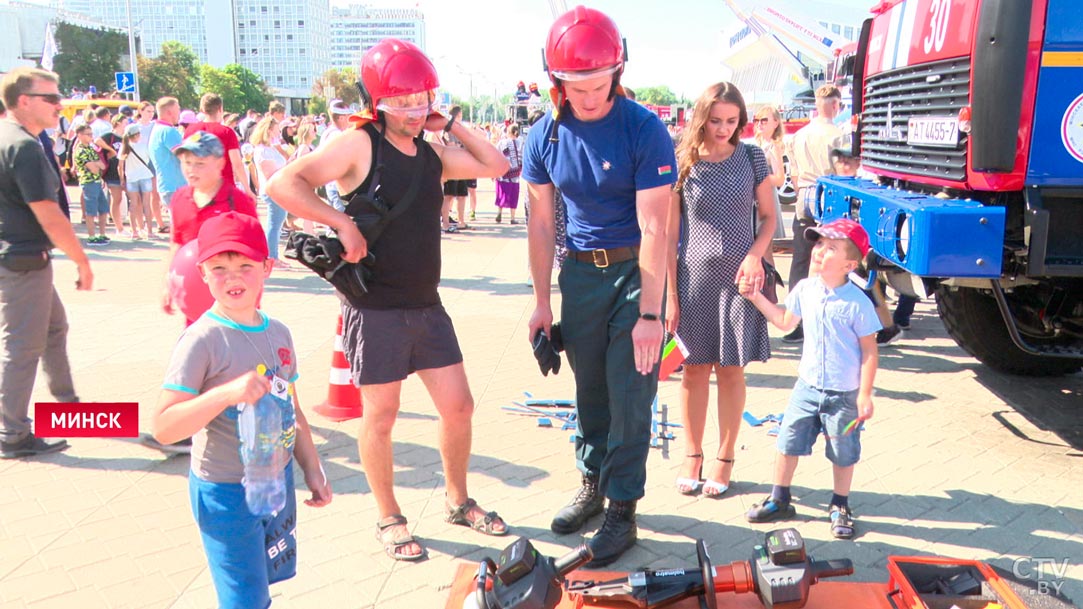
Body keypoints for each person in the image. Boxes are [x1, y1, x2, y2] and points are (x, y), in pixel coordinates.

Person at [267, 38, 509, 562]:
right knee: (381, 416)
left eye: (421, 99)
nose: (413, 111)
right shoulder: (360, 144)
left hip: (427, 304)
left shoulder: (431, 152)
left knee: (459, 407)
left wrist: (450, 124)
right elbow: (283, 183)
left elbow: (496, 165)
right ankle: (389, 516)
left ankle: (457, 498)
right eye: (401, 102)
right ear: (377, 102)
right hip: (374, 308)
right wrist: (340, 221)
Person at [522, 7, 675, 567]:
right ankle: (591, 482)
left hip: (639, 272)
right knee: (590, 390)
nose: (587, 97)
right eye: (573, 85)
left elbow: (657, 225)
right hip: (580, 275)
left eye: (597, 83)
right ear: (554, 80)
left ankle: (622, 508)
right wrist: (541, 302)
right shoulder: (545, 134)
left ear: (618, 69)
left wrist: (652, 314)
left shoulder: (643, 129)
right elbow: (540, 223)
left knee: (631, 392)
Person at [151, 211, 331, 608]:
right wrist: (226, 394)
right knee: (244, 599)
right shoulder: (201, 340)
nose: (233, 278)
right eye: (219, 268)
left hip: (274, 481)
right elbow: (164, 426)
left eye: (245, 266)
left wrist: (311, 467)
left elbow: (293, 409)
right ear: (202, 272)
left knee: (262, 583)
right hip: (224, 491)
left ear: (267, 267)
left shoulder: (279, 332)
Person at [666, 82, 776, 499]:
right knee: (693, 371)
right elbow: (672, 235)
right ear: (701, 117)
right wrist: (671, 296)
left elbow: (768, 218)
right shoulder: (684, 161)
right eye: (716, 120)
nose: (723, 129)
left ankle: (726, 457)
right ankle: (691, 453)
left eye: (731, 121)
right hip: (693, 278)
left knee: (731, 370)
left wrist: (755, 255)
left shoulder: (752, 156)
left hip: (740, 281)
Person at [739, 218, 879, 540]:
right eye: (818, 244)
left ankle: (840, 504)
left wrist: (865, 394)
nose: (819, 251)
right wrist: (756, 297)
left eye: (831, 248)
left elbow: (870, 352)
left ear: (850, 264)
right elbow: (785, 322)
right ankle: (780, 498)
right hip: (806, 387)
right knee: (787, 442)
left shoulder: (858, 303)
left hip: (844, 395)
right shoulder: (805, 289)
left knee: (843, 451)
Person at [0, 67, 93, 459]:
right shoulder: (22, 146)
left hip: (20, 259)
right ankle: (12, 435)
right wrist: (82, 262)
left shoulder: (14, 138)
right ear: (24, 101)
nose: (60, 105)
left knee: (54, 328)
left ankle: (66, 406)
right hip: (23, 262)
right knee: (23, 347)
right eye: (51, 99)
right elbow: (50, 216)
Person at [162, 131, 259, 321]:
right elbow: (176, 243)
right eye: (187, 163)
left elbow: (256, 254)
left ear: (220, 164)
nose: (191, 170)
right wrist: (168, 284)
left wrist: (251, 301)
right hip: (194, 298)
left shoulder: (237, 202)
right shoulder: (180, 198)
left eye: (200, 164)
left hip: (233, 300)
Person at [783, 85, 843, 343]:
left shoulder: (799, 136)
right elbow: (844, 175)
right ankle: (826, 321)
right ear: (835, 105)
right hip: (829, 197)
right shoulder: (839, 136)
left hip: (804, 197)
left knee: (800, 260)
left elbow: (794, 176)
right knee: (830, 260)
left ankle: (795, 323)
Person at [185, 93, 254, 199]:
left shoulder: (190, 131)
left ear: (202, 109)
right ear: (220, 108)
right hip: (223, 188)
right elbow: (237, 165)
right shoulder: (227, 132)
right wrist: (248, 190)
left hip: (198, 189)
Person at [249, 117, 290, 268]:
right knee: (274, 224)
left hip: (278, 189)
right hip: (273, 190)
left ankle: (272, 255)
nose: (279, 132)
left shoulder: (270, 149)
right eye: (276, 129)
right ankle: (271, 256)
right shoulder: (262, 151)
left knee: (277, 224)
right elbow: (270, 173)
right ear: (268, 130)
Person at [149, 97, 184, 228]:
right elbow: (184, 156)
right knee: (182, 228)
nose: (180, 112)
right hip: (176, 186)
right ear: (169, 112)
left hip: (167, 185)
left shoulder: (157, 130)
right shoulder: (168, 131)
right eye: (178, 109)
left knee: (178, 228)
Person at [72, 124, 110, 244]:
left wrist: (96, 164)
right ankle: (92, 236)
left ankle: (102, 234)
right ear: (80, 135)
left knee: (103, 209)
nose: (91, 136)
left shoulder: (90, 148)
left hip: (97, 181)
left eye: (91, 134)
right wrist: (96, 164)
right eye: (88, 134)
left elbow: (102, 165)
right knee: (91, 211)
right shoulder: (81, 151)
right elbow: (94, 168)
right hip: (89, 182)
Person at [317, 99, 353, 213]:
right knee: (342, 221)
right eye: (348, 116)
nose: (350, 119)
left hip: (331, 184)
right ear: (341, 117)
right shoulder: (336, 135)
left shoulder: (329, 132)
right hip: (337, 186)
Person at [119, 123, 154, 240]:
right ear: (137, 135)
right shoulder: (143, 146)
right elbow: (149, 160)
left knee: (133, 205)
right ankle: (149, 231)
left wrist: (122, 179)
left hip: (131, 178)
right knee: (146, 204)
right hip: (145, 176)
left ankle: (134, 231)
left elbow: (120, 166)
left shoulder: (124, 148)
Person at [97, 113, 129, 238]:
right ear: (118, 122)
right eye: (125, 122)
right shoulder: (110, 136)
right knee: (117, 199)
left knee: (128, 198)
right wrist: (111, 150)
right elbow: (97, 140)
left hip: (125, 171)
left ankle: (129, 226)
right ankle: (119, 227)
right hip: (111, 172)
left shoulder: (125, 138)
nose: (126, 125)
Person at [440, 105, 469, 231]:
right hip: (451, 166)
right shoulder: (448, 129)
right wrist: (459, 145)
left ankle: (461, 221)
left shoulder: (460, 129)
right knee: (449, 195)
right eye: (460, 114)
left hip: (461, 165)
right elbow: (451, 146)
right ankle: (445, 223)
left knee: (462, 195)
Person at [494, 123, 523, 224]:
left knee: (502, 194)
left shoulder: (502, 143)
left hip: (503, 173)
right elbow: (522, 158)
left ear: (508, 132)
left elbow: (496, 156)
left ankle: (499, 213)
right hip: (515, 175)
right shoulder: (520, 142)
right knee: (513, 195)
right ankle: (512, 218)